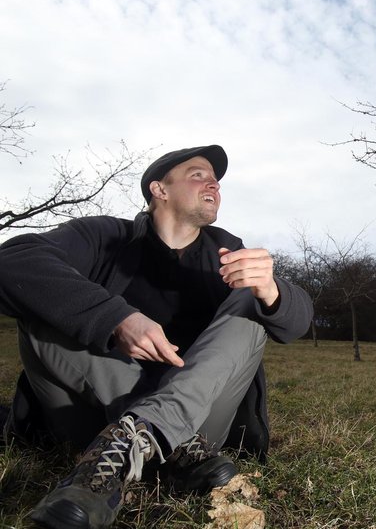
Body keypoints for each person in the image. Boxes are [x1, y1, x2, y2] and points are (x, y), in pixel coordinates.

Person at [0, 145, 313, 529]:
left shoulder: (226, 251)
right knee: (41, 301)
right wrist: (116, 318)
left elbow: (298, 321)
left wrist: (273, 290)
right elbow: (12, 261)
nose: (214, 182)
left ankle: (137, 442)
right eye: (198, 173)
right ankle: (158, 449)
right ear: (159, 189)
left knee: (252, 296)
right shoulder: (104, 236)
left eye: (216, 178)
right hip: (95, 416)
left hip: (200, 427)